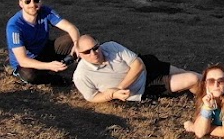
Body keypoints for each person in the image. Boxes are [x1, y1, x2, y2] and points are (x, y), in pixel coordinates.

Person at [72, 35, 203, 104]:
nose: (93, 53)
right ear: (79, 54)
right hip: (145, 86)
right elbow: (91, 97)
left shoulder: (111, 46)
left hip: (148, 65)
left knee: (191, 74)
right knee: (193, 79)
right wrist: (112, 95)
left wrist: (120, 88)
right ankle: (206, 102)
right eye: (87, 52)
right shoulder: (81, 75)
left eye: (95, 48)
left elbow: (138, 64)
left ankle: (218, 87)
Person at [6, 0, 80, 84]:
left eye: (36, 0)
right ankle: (56, 79)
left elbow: (71, 28)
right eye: (27, 1)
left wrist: (76, 44)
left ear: (40, 1)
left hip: (44, 50)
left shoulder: (46, 12)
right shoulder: (14, 26)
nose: (32, 4)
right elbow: (23, 60)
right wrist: (49, 65)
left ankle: (86, 69)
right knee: (29, 76)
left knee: (83, 41)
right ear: (21, 4)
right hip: (26, 62)